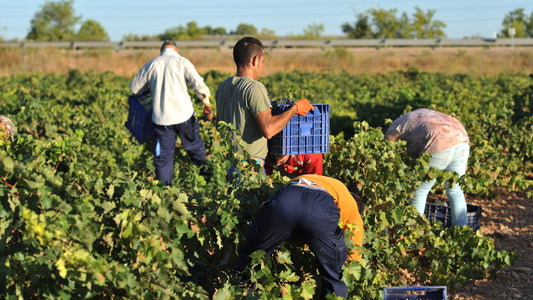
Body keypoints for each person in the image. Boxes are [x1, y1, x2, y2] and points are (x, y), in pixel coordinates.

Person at [235, 174, 364, 299]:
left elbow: (298, 211)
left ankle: (240, 293)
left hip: (286, 198)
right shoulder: (352, 207)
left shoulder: (331, 184)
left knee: (250, 259)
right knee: (335, 278)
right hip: (319, 208)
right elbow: (354, 256)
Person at [215, 36, 314, 169]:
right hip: (249, 166)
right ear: (255, 60)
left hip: (230, 163)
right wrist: (295, 108)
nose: (261, 66)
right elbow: (268, 130)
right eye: (262, 61)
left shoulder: (223, 86)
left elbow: (218, 125)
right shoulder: (254, 87)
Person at [130, 40, 212, 186]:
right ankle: (206, 179)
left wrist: (152, 86)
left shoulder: (152, 64)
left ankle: (165, 191)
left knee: (163, 158)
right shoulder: (182, 62)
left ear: (161, 50)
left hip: (162, 120)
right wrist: (206, 103)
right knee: (194, 146)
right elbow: (198, 84)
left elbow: (134, 89)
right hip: (184, 115)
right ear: (175, 49)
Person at [385, 108, 470, 226]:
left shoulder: (395, 127)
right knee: (455, 190)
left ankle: (413, 231)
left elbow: (388, 147)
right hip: (462, 140)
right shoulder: (418, 117)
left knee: (419, 189)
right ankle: (461, 232)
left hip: (439, 140)